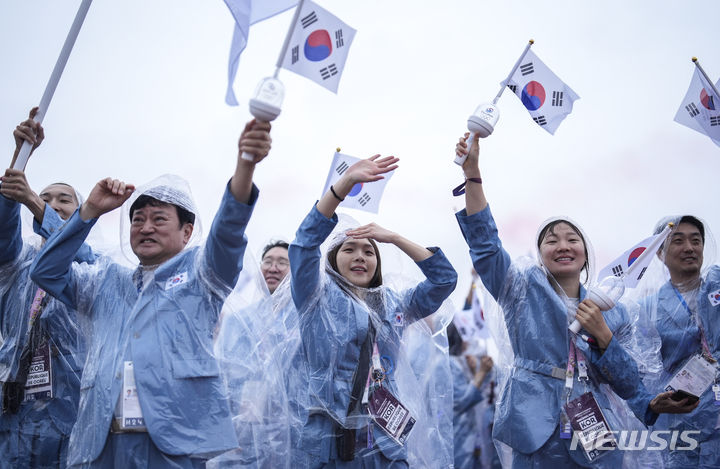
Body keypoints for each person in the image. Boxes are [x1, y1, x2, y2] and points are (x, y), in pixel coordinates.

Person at [29, 119, 272, 468]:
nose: (145, 227)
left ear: (187, 232)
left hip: (172, 446)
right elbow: (46, 272)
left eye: (159, 219)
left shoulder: (202, 279)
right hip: (102, 444)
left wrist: (245, 164)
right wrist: (89, 212)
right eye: (138, 219)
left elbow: (228, 232)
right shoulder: (106, 282)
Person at [452, 133, 697, 468]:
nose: (563, 245)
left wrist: (605, 338)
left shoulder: (615, 311)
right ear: (540, 255)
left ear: (585, 256)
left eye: (572, 239)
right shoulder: (519, 289)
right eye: (552, 240)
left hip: (594, 425)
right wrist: (472, 173)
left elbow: (629, 383)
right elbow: (485, 244)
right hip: (531, 422)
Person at [287, 155, 457, 467]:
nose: (360, 256)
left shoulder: (394, 304)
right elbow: (302, 247)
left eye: (369, 250)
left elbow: (444, 280)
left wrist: (393, 238)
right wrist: (344, 185)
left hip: (384, 440)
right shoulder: (314, 298)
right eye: (349, 249)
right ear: (333, 259)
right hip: (329, 439)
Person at [0, 108, 96, 468]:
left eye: (63, 200)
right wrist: (18, 161)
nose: (52, 204)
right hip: (15, 409)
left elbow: (77, 252)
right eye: (46, 197)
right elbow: (1, 234)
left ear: (81, 212)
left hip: (70, 411)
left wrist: (35, 203)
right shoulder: (16, 264)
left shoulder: (93, 264)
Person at [642, 215, 720, 468]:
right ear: (659, 253)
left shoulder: (715, 290)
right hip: (683, 421)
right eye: (678, 241)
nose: (689, 247)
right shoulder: (647, 308)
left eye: (696, 240)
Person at [447, 323, 493, 469]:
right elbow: (462, 401)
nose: (467, 342)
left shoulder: (457, 362)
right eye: (464, 337)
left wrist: (475, 371)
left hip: (467, 436)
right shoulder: (449, 364)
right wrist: (481, 373)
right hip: (459, 436)